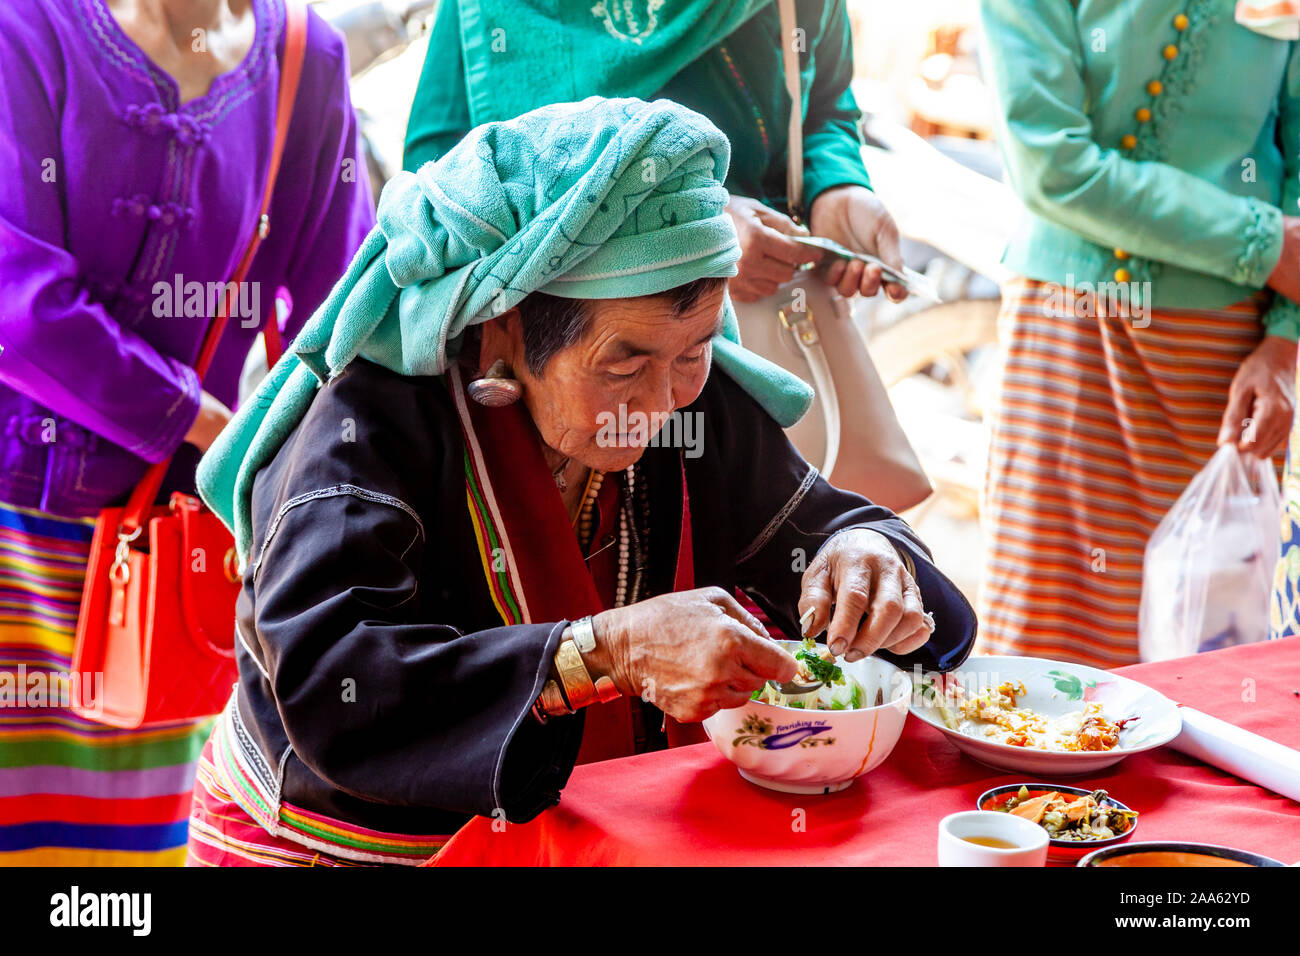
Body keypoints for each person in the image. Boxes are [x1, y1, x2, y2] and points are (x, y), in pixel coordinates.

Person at [185, 98, 976, 866]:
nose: (664, 404)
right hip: (349, 848)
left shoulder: (696, 401)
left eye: (695, 352)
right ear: (504, 326)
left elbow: (827, 530)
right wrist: (605, 653)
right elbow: (339, 683)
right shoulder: (365, 432)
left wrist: (869, 554)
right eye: (623, 365)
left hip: (585, 834)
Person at [0, 0, 373, 865]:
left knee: (132, 858)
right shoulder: (26, 25)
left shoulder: (302, 56)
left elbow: (340, 321)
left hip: (168, 568)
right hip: (16, 530)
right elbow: (14, 301)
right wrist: (201, 420)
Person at [978, 0, 1300, 667]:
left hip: (1231, 371)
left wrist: (1285, 342)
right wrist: (1260, 242)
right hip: (1068, 347)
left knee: (1208, 675)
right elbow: (1049, 162)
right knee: (1043, 669)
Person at [404, 0, 909, 314]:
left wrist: (836, 187)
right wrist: (686, 225)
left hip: (762, 335)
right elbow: (439, 178)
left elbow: (823, 106)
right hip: (559, 352)